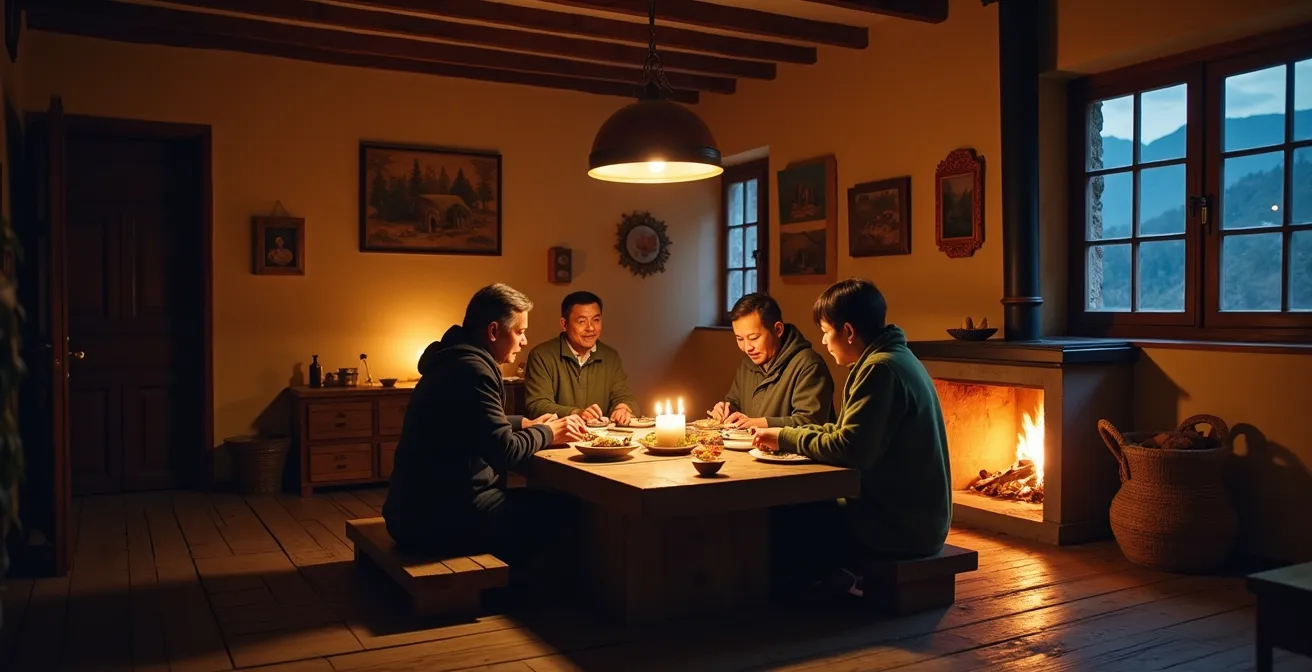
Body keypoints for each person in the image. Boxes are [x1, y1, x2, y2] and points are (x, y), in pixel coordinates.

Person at [751, 278, 951, 599]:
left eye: (826, 331)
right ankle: (827, 577)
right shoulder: (892, 358)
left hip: (902, 526)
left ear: (847, 331)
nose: (824, 341)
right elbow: (845, 431)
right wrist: (784, 435)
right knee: (803, 508)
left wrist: (786, 438)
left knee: (785, 513)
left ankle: (795, 600)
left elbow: (850, 448)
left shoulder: (881, 370)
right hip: (915, 517)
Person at [382, 283, 589, 569]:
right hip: (438, 518)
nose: (524, 341)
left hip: (411, 509)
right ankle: (526, 596)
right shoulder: (472, 370)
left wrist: (525, 423)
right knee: (567, 509)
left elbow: (472, 423)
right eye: (520, 331)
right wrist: (548, 432)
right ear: (493, 331)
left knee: (543, 504)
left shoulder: (451, 358)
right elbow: (503, 452)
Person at [709, 292, 834, 429]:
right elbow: (735, 402)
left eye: (754, 338)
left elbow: (811, 422)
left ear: (778, 330)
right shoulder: (748, 364)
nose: (747, 347)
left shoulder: (808, 365)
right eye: (739, 339)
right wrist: (725, 411)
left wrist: (762, 424)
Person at [523, 291, 640, 425]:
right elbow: (537, 405)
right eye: (581, 321)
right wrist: (576, 413)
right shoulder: (541, 356)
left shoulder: (610, 356)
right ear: (564, 324)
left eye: (596, 320)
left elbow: (624, 396)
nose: (590, 328)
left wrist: (623, 408)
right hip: (560, 438)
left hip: (602, 440)